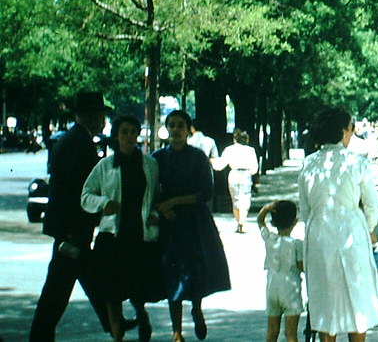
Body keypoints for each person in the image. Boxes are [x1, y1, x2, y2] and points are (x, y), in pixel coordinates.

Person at [30, 91, 112, 341]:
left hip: (73, 228)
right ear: (90, 116)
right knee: (58, 289)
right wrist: (71, 231)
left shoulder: (73, 140)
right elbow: (69, 190)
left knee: (87, 277)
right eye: (100, 115)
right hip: (73, 229)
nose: (102, 120)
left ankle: (112, 320)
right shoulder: (79, 143)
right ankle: (41, 335)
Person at [299, 108, 378, 341]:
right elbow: (372, 205)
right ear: (343, 131)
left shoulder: (308, 163)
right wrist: (367, 228)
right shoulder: (356, 162)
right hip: (352, 230)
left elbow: (304, 209)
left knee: (325, 302)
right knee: (357, 299)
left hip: (319, 233)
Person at [81, 115, 162, 342]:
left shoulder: (150, 164)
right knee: (111, 292)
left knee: (137, 287)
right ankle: (117, 335)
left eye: (133, 131)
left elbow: (155, 197)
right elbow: (86, 195)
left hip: (138, 234)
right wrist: (103, 204)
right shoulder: (105, 166)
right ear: (116, 135)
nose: (129, 136)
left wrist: (154, 215)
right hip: (112, 236)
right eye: (124, 131)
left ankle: (142, 316)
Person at [154, 110, 231, 342]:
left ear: (188, 129)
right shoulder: (158, 158)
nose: (176, 130)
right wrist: (161, 207)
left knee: (194, 271)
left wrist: (175, 201)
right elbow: (150, 189)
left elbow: (205, 192)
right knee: (172, 274)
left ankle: (196, 309)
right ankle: (176, 331)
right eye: (172, 125)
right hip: (169, 224)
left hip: (194, 222)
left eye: (180, 125)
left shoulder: (197, 157)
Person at [257, 200, 304, 342]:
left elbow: (260, 221)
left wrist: (266, 208)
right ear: (295, 222)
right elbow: (302, 267)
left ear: (273, 223)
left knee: (272, 331)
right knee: (290, 333)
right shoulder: (296, 245)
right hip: (290, 289)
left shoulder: (269, 239)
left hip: (272, 287)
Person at [215, 129, 259, 233]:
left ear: (235, 139)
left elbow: (221, 164)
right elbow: (254, 168)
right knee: (245, 199)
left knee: (235, 200)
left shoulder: (229, 149)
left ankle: (239, 222)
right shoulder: (250, 150)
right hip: (246, 175)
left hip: (233, 174)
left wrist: (212, 162)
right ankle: (242, 223)